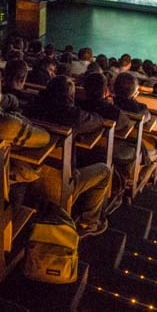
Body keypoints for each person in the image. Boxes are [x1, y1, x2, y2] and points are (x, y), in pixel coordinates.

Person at [24, 76, 113, 236]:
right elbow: (97, 121)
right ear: (70, 96)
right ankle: (89, 223)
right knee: (104, 171)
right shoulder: (72, 115)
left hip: (27, 177)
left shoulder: (30, 107)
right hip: (61, 184)